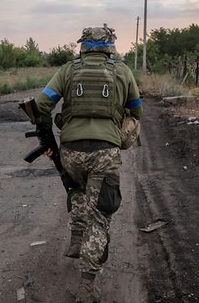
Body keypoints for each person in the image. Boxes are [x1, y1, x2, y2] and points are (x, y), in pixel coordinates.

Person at [34, 24, 142, 303]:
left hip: (71, 152)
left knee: (78, 190)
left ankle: (76, 241)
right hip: (105, 153)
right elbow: (137, 110)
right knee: (101, 216)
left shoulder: (68, 70)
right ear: (111, 46)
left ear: (82, 45)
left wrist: (48, 138)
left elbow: (41, 104)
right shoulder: (123, 71)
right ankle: (87, 285)